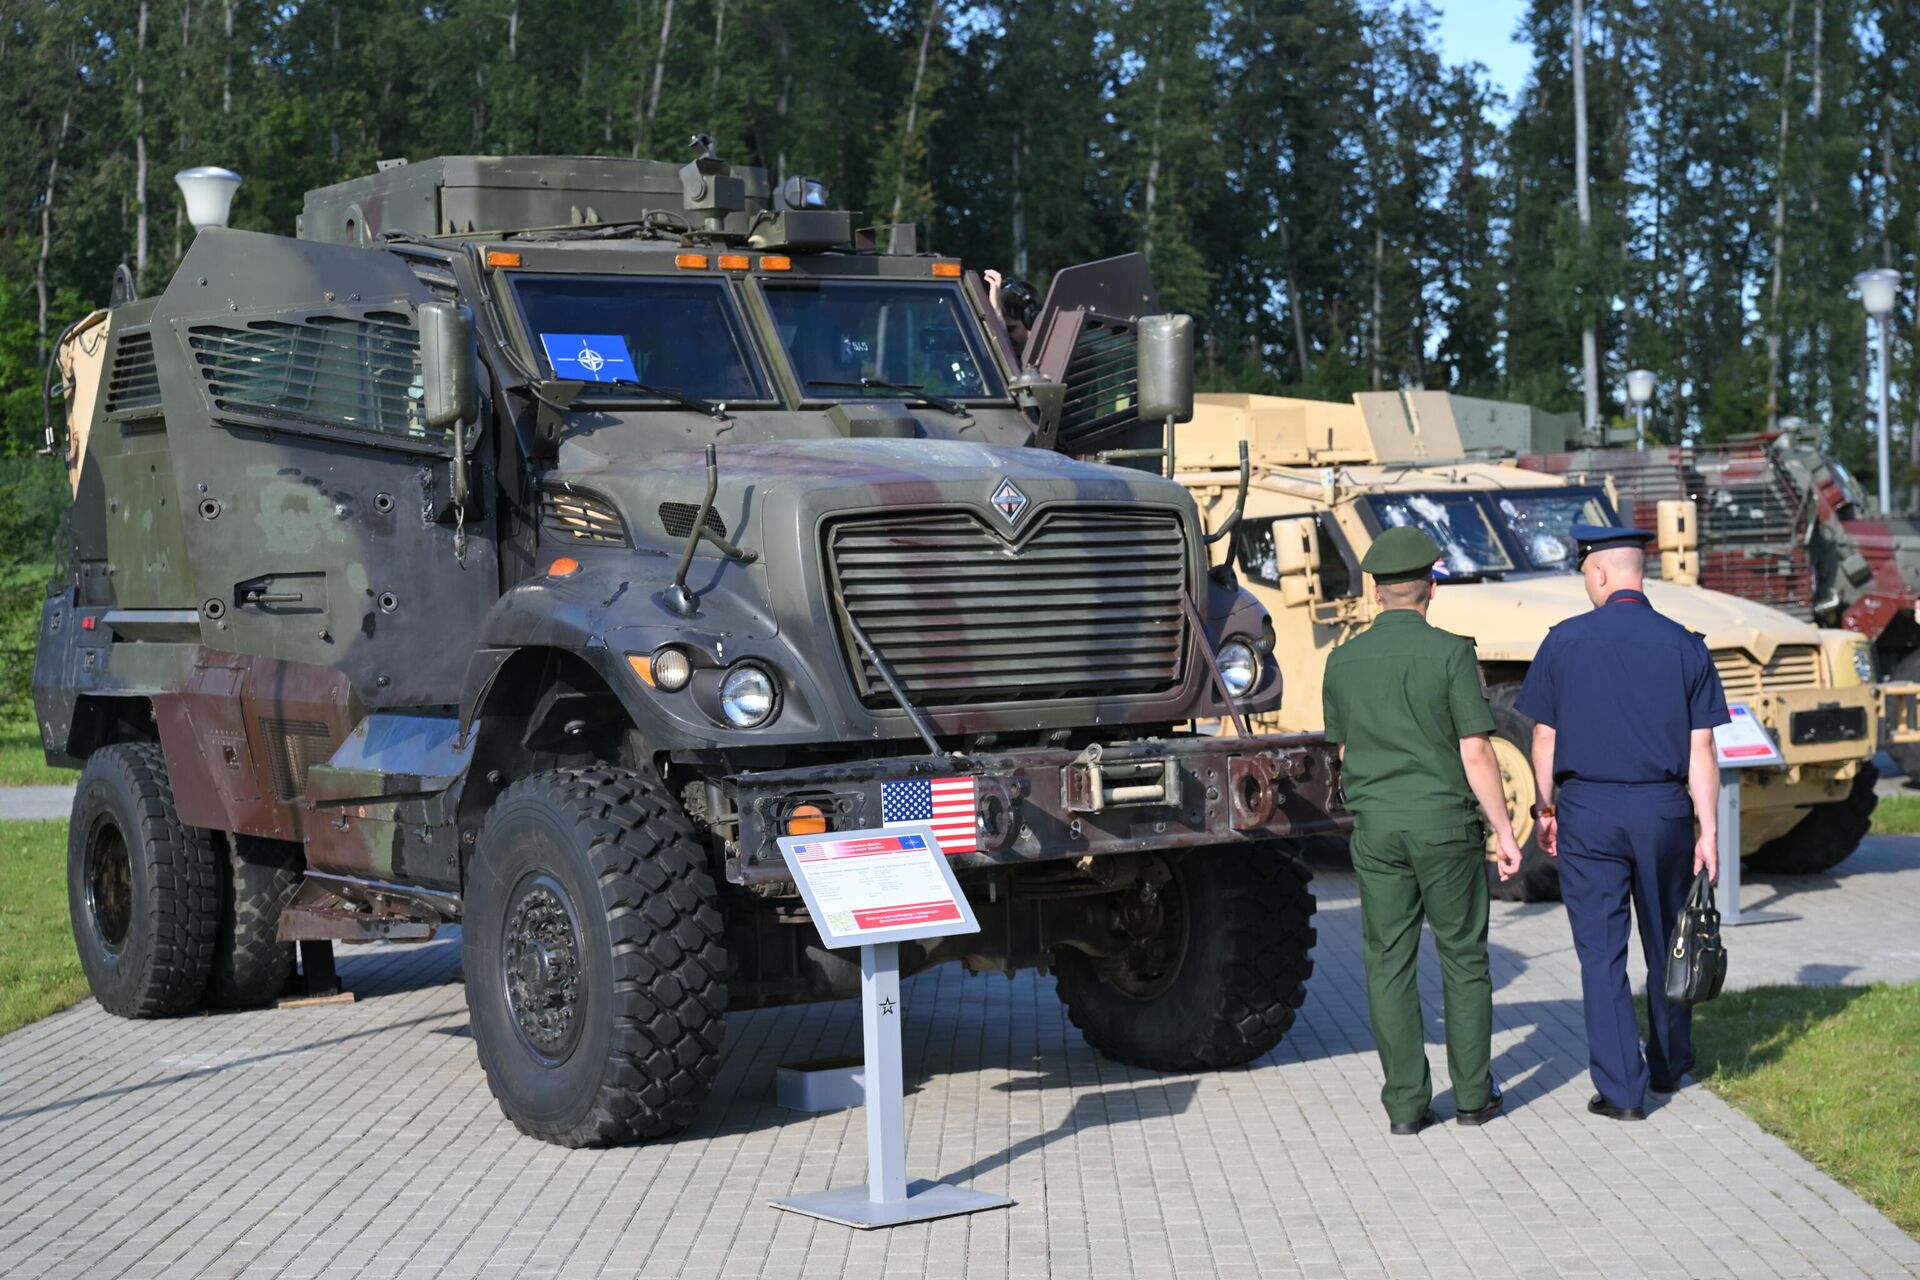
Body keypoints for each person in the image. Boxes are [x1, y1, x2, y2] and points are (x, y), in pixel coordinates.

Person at [1517, 524, 1728, 1121]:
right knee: (1669, 939)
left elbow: (1543, 734)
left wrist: (1546, 807)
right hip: (1664, 812)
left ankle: (1621, 1091)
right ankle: (1668, 1064)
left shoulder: (1564, 641)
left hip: (1588, 811)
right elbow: (1702, 750)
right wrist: (1708, 831)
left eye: (1586, 573)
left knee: (1601, 953)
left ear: (1603, 572)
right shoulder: (1685, 644)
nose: (1586, 583)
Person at [1322, 526, 1526, 1136]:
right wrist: (1504, 831)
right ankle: (1471, 1098)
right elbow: (1476, 750)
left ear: (1377, 593)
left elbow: (1343, 747)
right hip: (1444, 827)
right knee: (1463, 957)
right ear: (1430, 588)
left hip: (1377, 829)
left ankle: (1407, 1106)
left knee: (1388, 961)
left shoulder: (1342, 660)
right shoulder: (1451, 653)